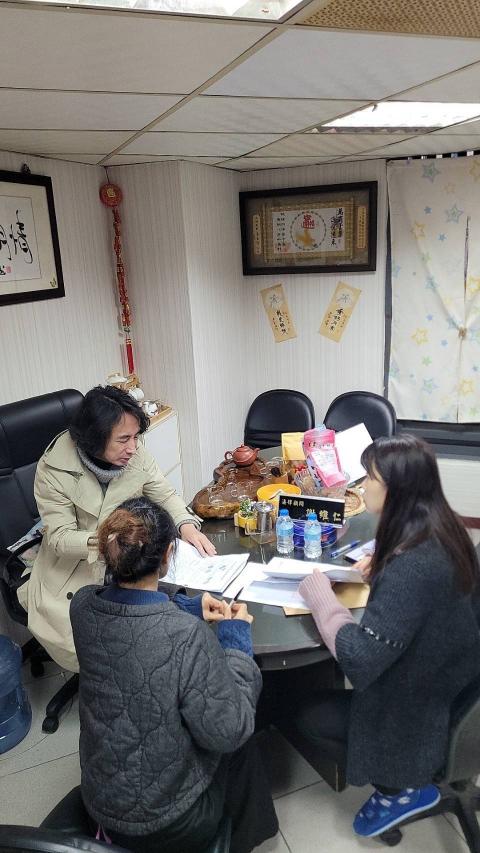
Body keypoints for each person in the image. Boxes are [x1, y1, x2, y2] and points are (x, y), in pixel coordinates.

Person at [296, 434, 480, 839]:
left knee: (309, 717)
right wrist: (383, 563)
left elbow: (359, 660)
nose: (362, 487)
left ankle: (400, 789)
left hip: (421, 706)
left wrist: (321, 598)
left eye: (369, 479)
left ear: (396, 491)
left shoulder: (412, 568)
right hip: (458, 678)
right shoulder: (445, 528)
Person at [70, 497, 278, 853]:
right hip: (170, 823)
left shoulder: (82, 605)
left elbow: (127, 603)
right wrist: (235, 637)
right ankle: (243, 841)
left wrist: (187, 604)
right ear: (168, 555)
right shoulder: (184, 635)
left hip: (101, 805)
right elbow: (228, 731)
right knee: (240, 735)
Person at [18, 385, 215, 671]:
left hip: (124, 555)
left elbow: (163, 493)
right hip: (76, 566)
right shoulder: (53, 469)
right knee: (107, 647)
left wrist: (186, 525)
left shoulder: (134, 452)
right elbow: (59, 538)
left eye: (136, 437)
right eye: (123, 439)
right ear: (95, 438)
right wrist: (110, 541)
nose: (133, 447)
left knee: (167, 612)